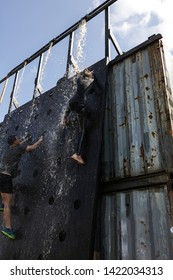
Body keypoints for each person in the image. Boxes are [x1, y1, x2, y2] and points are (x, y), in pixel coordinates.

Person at [0, 134, 43, 239]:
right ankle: (7, 229)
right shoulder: (18, 148)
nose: (19, 139)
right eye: (17, 138)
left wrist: (25, 140)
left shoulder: (9, 149)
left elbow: (20, 146)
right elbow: (32, 147)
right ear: (14, 141)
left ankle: (2, 205)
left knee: (5, 196)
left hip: (1, 175)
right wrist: (40, 140)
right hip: (6, 178)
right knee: (7, 205)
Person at [63, 68, 95, 165]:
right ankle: (78, 154)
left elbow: (79, 74)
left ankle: (66, 119)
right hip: (80, 105)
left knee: (80, 120)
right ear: (90, 76)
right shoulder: (91, 81)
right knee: (85, 126)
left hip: (71, 103)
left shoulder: (79, 79)